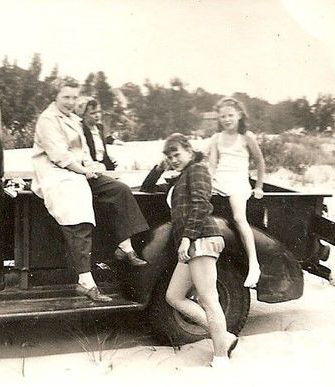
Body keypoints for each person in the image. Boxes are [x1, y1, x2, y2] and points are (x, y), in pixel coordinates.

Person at [31, 78, 149, 302]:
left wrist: (92, 166)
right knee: (78, 207)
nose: (71, 102)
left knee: (119, 189)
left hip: (78, 171)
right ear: (55, 96)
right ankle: (85, 281)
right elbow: (60, 157)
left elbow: (83, 152)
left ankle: (125, 246)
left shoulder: (75, 120)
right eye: (66, 97)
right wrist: (84, 171)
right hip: (58, 175)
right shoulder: (47, 121)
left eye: (74, 97)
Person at [144, 133, 239, 368]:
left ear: (189, 150)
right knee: (174, 296)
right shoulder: (182, 175)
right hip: (193, 242)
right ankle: (224, 337)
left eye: (177, 154)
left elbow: (201, 205)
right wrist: (161, 165)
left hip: (201, 238)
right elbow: (147, 187)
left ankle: (221, 357)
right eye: (169, 156)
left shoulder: (197, 170)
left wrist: (187, 239)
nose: (174, 159)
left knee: (208, 298)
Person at [208, 97, 266, 288]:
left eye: (230, 115)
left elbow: (259, 162)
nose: (226, 119)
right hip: (220, 181)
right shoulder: (217, 138)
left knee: (239, 218)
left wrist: (258, 186)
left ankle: (254, 265)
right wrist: (208, 183)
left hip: (238, 182)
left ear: (239, 115)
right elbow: (212, 165)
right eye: (223, 116)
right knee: (200, 206)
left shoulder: (246, 137)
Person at [75, 97, 117, 171]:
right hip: (89, 167)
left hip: (104, 165)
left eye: (99, 112)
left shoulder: (99, 127)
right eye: (93, 113)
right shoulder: (80, 129)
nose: (97, 115)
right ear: (84, 115)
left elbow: (103, 147)